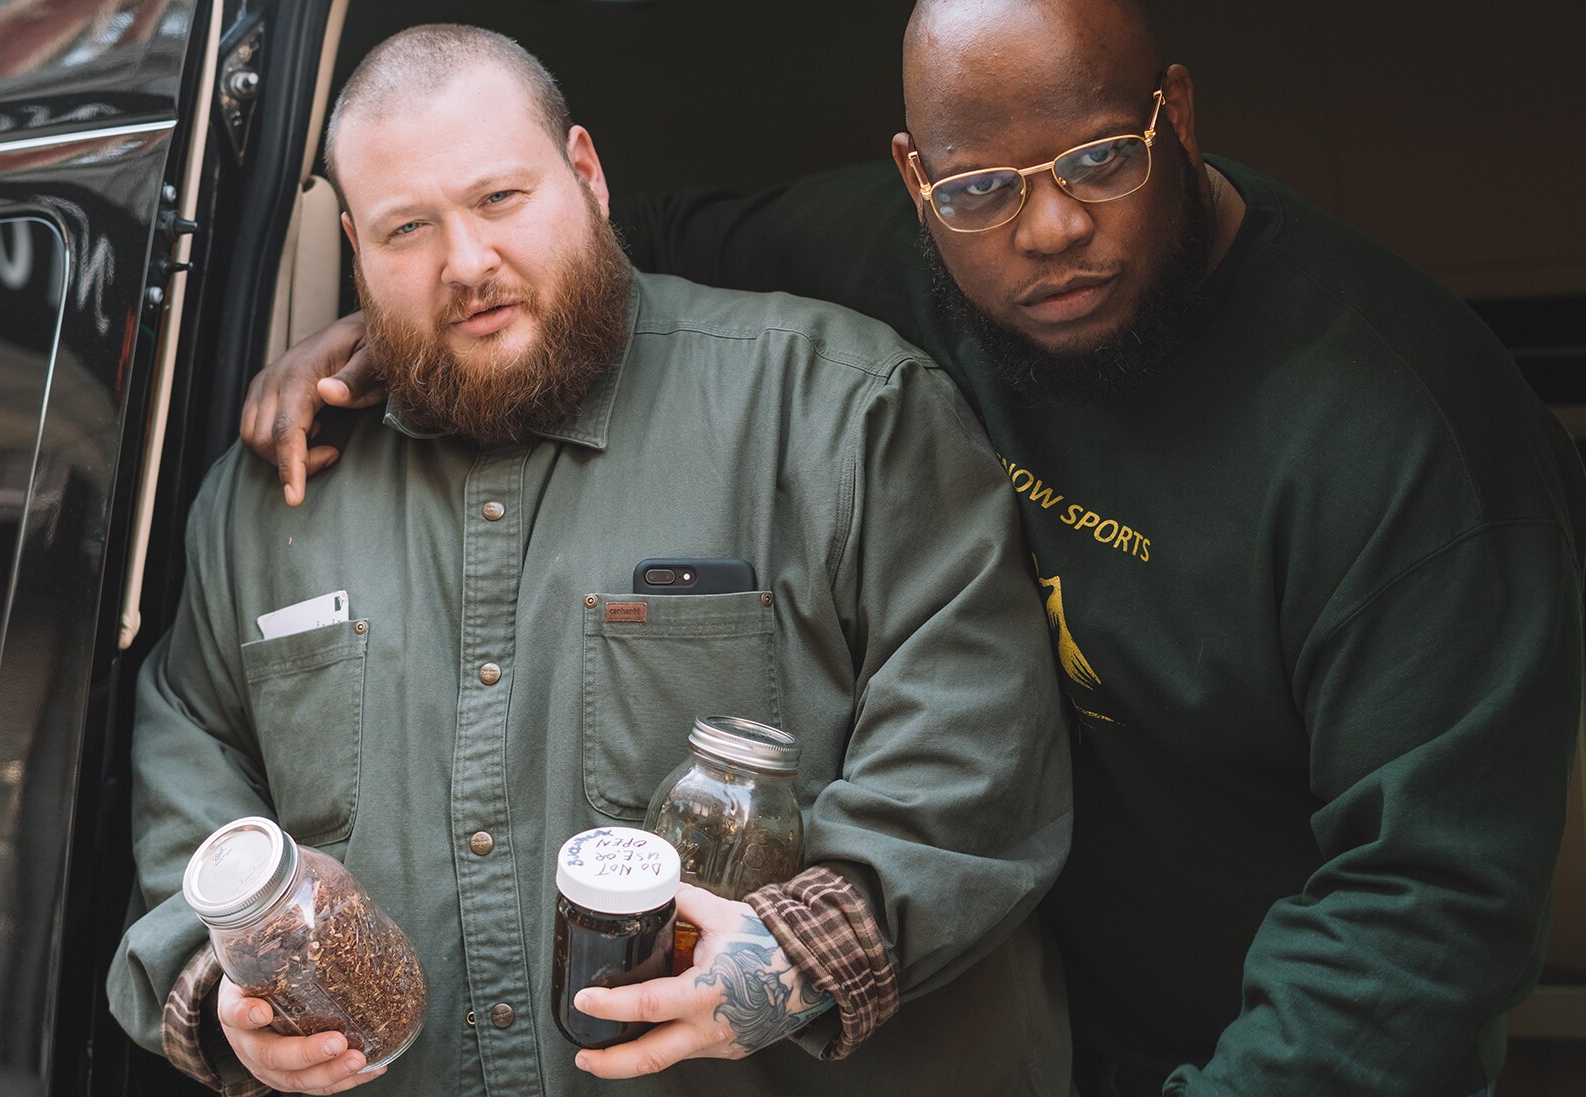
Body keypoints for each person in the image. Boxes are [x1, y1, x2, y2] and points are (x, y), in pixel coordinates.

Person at [245, 3, 1586, 1096]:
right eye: (982, 189)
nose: (1048, 227)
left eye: (1101, 161)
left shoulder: (1407, 436)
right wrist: (401, 326)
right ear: (917, 180)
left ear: (1176, 115)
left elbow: (1429, 908)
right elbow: (606, 243)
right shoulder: (912, 243)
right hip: (1059, 1017)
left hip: (1311, 1040)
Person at [110, 23, 1075, 1097]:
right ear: (354, 246)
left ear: (587, 174)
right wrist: (223, 989)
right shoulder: (264, 502)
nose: (466, 262)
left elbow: (977, 741)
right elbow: (190, 753)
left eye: (499, 199)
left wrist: (795, 955)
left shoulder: (840, 409)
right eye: (407, 229)